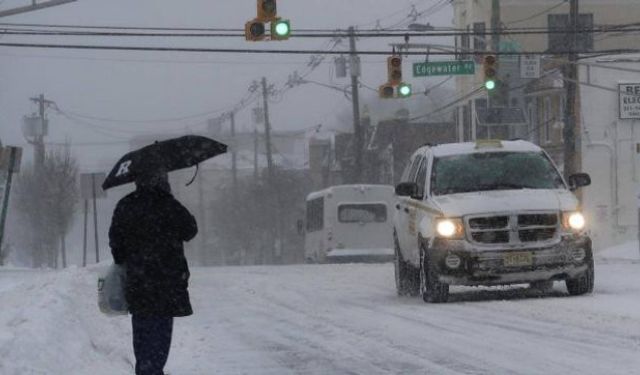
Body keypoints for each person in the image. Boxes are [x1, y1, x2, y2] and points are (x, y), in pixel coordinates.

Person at [109, 170, 198, 375]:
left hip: (138, 281)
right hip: (168, 281)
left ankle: (145, 368)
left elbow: (116, 244)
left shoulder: (126, 205)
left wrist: (129, 259)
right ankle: (154, 369)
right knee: (161, 332)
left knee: (142, 331)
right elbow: (190, 230)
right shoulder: (169, 205)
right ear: (162, 181)